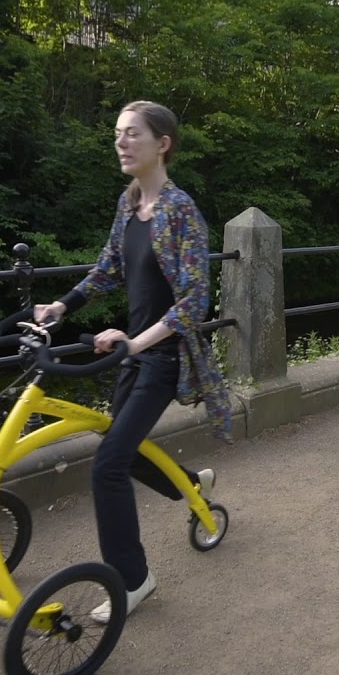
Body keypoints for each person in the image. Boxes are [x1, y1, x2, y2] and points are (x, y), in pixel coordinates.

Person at [33, 101, 232, 624]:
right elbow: (109, 268)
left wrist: (135, 343)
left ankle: (133, 579)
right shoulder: (129, 204)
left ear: (162, 144)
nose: (121, 142)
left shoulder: (181, 210)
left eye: (132, 134)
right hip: (135, 353)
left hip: (164, 358)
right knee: (124, 447)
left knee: (108, 466)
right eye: (118, 134)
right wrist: (62, 306)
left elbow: (194, 302)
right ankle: (194, 484)